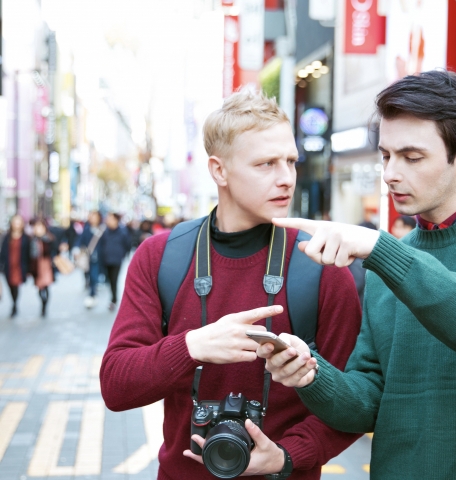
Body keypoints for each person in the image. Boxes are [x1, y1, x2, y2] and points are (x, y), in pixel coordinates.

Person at [258, 71, 456, 479]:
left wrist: (382, 250)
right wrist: (310, 373)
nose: (391, 173)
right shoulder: (393, 261)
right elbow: (368, 402)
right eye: (386, 156)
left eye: (412, 157)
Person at [100, 90, 362, 480]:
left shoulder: (321, 264)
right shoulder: (160, 257)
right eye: (266, 164)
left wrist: (288, 455)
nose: (286, 178)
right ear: (219, 170)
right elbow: (117, 385)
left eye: (290, 161)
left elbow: (356, 399)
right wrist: (192, 346)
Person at [99, 213, 131, 311]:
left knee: (114, 280)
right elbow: (101, 244)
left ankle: (114, 299)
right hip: (106, 259)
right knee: (108, 279)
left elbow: (127, 244)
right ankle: (113, 298)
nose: (108, 221)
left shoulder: (123, 231)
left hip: (117, 260)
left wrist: (123, 254)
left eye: (111, 219)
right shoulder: (104, 231)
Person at [0, 215, 31, 318]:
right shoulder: (7, 237)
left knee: (16, 285)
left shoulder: (26, 238)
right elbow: (3, 252)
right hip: (9, 266)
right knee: (10, 286)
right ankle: (14, 302)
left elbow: (28, 254)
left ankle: (14, 305)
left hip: (19, 266)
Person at [76, 211, 105, 309]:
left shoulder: (103, 229)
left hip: (98, 257)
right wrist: (76, 249)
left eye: (95, 217)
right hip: (88, 257)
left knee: (94, 276)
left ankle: (92, 293)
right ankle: (91, 290)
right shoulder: (87, 229)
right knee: (88, 275)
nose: (93, 218)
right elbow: (80, 240)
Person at [30, 219, 57, 317]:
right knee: (39, 287)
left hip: (47, 266)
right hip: (36, 267)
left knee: (46, 286)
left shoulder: (49, 239)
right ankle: (42, 302)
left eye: (40, 227)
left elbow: (55, 251)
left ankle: (45, 306)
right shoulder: (32, 240)